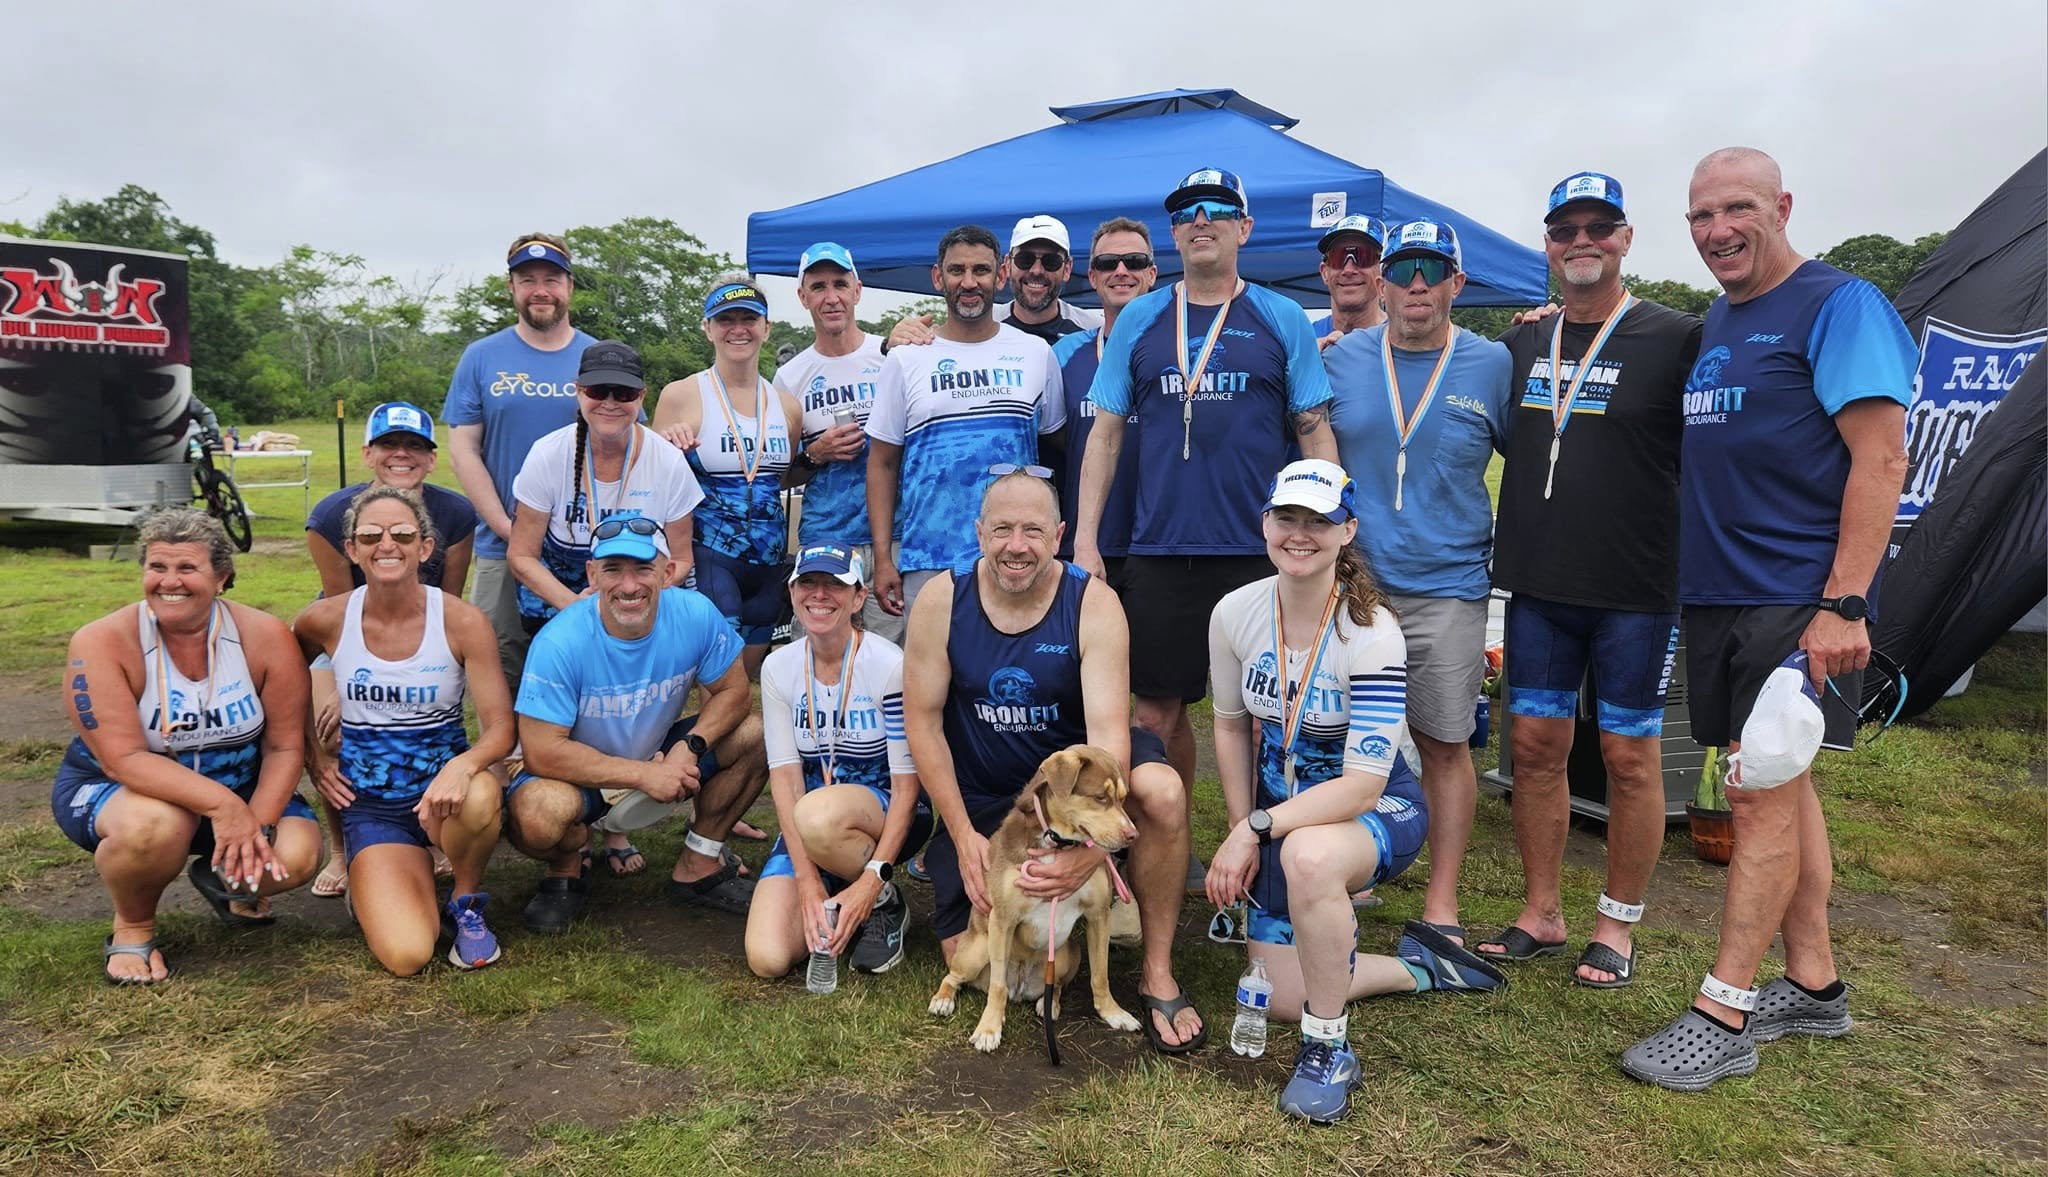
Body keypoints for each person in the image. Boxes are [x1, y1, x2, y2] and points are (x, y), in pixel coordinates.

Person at [1621, 148, 1914, 1092]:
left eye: (1737, 208)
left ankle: (1725, 1010)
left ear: (1782, 206)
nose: (1717, 231)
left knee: (1755, 792)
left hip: (1799, 597)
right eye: (1700, 217)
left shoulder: (1841, 305)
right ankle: (1815, 984)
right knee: (1784, 785)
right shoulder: (1719, 319)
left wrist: (1844, 602)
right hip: (1720, 595)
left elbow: (1882, 460)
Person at [1206, 460, 1505, 1124]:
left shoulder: (1371, 632)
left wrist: (1256, 827)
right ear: (1265, 523)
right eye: (1287, 518)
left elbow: (1363, 786)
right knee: (1284, 995)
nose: (1300, 534)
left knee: (1310, 856)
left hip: (1377, 810)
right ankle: (1423, 968)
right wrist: (1240, 826)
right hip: (1281, 821)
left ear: (1347, 531)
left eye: (1319, 521)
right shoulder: (1235, 612)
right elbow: (1228, 726)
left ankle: (1328, 1049)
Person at [1477, 173, 1704, 986]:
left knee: (1630, 758)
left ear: (1625, 239)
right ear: (1547, 245)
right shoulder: (1522, 344)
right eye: (1565, 229)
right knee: (1534, 749)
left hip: (1637, 588)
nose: (1582, 241)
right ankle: (1542, 911)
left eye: (1598, 227)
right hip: (1540, 584)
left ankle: (1619, 924)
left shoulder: (1678, 337)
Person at [1075, 168, 1339, 860]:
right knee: (1156, 713)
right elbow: (1105, 435)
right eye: (1187, 210)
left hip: (1260, 552)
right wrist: (1086, 542)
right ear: (1174, 232)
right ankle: (1170, 850)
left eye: (1218, 209)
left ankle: (1262, 853)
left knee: (1263, 716)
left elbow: (1313, 430)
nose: (1202, 219)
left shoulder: (1281, 317)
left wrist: (1333, 529)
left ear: (1243, 228)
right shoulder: (1141, 318)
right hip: (1160, 548)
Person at [902, 470, 1204, 1054]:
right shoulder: (941, 599)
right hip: (991, 792)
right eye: (1002, 530)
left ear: (1060, 535)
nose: (1016, 546)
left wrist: (1089, 853)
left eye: (1033, 531)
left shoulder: (1093, 603)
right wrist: (963, 835)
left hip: (1078, 782)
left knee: (1162, 791)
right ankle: (1080, 908)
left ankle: (1156, 971)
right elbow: (923, 724)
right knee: (966, 955)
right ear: (979, 532)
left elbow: (1108, 739)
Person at [1324, 220, 1513, 944]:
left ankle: (1441, 902)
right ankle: (1345, 872)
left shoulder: (1492, 363)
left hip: (1449, 587)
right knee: (1339, 734)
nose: (1417, 284)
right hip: (1357, 584)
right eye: (1403, 269)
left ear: (1457, 283)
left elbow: (1529, 454)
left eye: (1434, 270)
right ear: (1382, 281)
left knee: (1443, 742)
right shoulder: (1341, 357)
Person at [53, 508, 320, 984]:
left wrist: (254, 825)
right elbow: (123, 759)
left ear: (222, 577)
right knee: (157, 826)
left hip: (240, 789)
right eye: (157, 566)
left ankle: (222, 878)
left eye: (187, 568)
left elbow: (283, 747)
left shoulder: (265, 636)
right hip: (125, 791)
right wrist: (223, 807)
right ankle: (133, 926)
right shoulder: (102, 641)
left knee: (297, 857)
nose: (169, 581)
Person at [508, 514, 770, 931]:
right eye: (613, 569)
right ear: (592, 574)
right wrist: (645, 774)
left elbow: (734, 692)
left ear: (668, 573)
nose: (629, 586)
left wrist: (690, 747)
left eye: (643, 569)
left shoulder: (696, 613)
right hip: (575, 773)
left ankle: (699, 861)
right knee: (538, 815)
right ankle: (567, 864)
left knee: (757, 734)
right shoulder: (559, 641)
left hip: (659, 752)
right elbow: (542, 751)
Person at [293, 487, 515, 975]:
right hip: (373, 807)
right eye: (371, 536)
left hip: (444, 799)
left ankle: (465, 902)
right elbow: (283, 687)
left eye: (403, 535)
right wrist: (315, 756)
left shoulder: (461, 621)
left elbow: (501, 728)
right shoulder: (325, 619)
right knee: (408, 955)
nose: (387, 545)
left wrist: (464, 766)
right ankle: (376, 879)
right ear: (352, 550)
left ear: (426, 547)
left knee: (481, 793)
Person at [304, 401, 479, 899]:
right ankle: (342, 847)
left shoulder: (456, 513)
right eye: (389, 444)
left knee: (431, 725)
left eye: (414, 446)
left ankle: (430, 829)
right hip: (345, 634)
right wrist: (345, 690)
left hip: (424, 628)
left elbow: (450, 598)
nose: (401, 454)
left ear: (431, 458)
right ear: (368, 454)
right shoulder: (330, 515)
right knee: (333, 733)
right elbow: (338, 606)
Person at [745, 543, 933, 979]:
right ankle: (837, 884)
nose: (819, 594)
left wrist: (872, 879)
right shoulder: (777, 667)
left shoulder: (889, 665)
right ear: (792, 593)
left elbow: (907, 788)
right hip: (811, 823)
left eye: (835, 584)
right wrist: (807, 883)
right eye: (808, 582)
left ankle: (882, 900)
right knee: (768, 957)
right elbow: (785, 781)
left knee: (818, 815)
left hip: (887, 814)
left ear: (858, 597)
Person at [865, 225, 1065, 622]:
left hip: (1016, 556)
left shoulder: (1036, 353)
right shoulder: (906, 359)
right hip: (929, 558)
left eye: (981, 270)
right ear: (938, 277)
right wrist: (885, 558)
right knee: (929, 663)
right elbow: (882, 464)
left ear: (1001, 275)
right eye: (957, 270)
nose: (969, 282)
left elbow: (1057, 451)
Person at [443, 233, 595, 691]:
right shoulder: (481, 357)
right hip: (502, 543)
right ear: (512, 287)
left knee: (582, 657)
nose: (540, 290)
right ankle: (505, 737)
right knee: (499, 655)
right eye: (528, 280)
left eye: (551, 279)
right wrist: (508, 527)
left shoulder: (595, 356)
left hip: (584, 544)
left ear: (569, 287)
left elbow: (628, 441)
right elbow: (464, 449)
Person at [652, 276, 806, 678]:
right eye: (725, 320)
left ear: (766, 328)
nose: (738, 329)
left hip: (769, 564)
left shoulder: (788, 406)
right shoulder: (680, 395)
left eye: (749, 319)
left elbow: (782, 478)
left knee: (747, 680)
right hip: (710, 558)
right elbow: (651, 483)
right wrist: (669, 449)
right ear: (708, 328)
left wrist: (818, 457)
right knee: (722, 682)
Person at [508, 339, 702, 635]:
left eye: (624, 393)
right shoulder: (547, 454)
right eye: (598, 391)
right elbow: (522, 555)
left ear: (641, 397)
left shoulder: (668, 461)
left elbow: (681, 559)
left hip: (639, 594)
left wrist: (629, 602)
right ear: (578, 391)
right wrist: (577, 607)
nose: (610, 403)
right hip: (560, 595)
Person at [771, 242, 898, 640]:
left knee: (890, 659)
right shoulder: (790, 377)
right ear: (803, 296)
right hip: (827, 536)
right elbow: (779, 477)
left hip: (894, 537)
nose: (831, 298)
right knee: (820, 651)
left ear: (857, 290)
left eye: (840, 284)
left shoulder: (891, 355)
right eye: (819, 287)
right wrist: (816, 453)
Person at [1050, 217, 1155, 583]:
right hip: (1086, 548)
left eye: (1134, 262)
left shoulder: (1181, 350)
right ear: (1093, 277)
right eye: (1108, 263)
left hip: (1161, 548)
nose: (1121, 271)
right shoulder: (1064, 354)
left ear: (1152, 273)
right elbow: (1053, 439)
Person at [997, 214, 1103, 345]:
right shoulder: (983, 326)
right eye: (1025, 259)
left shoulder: (1094, 333)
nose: (1036, 270)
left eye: (1051, 261)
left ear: (1067, 268)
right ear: (1008, 264)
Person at [1310, 215, 1388, 347]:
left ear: (1383, 270)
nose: (1348, 270)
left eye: (1363, 257)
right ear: (1324, 273)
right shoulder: (1303, 339)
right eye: (1338, 258)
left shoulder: (1405, 339)